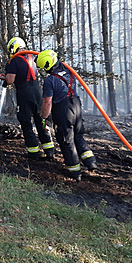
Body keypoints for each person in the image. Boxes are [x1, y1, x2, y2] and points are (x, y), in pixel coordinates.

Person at [37, 49, 97, 181]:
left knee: (66, 140)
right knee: (78, 134)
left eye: (43, 67)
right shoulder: (69, 71)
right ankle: (90, 161)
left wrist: (44, 117)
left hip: (63, 110)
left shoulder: (50, 80)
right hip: (76, 105)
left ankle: (75, 172)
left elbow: (47, 102)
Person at [0, 37, 54, 158]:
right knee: (41, 121)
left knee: (26, 122)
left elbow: (10, 80)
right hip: (37, 93)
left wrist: (4, 77)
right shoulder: (34, 57)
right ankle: (49, 150)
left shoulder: (14, 60)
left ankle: (33, 152)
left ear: (13, 47)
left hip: (24, 94)